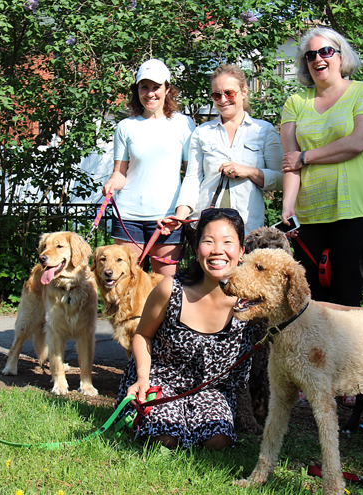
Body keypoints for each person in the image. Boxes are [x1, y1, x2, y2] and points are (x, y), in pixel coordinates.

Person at [116, 208, 263, 450]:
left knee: (218, 442)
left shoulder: (252, 301)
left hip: (212, 391)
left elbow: (300, 306)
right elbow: (143, 334)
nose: (217, 250)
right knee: (165, 439)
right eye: (208, 241)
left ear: (241, 251)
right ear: (196, 251)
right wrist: (143, 378)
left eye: (228, 242)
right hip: (159, 381)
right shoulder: (170, 289)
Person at [280, 27, 363, 306]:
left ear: (341, 56)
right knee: (310, 298)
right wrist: (287, 208)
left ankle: (348, 353)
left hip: (358, 212)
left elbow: (358, 142)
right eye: (310, 55)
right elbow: (290, 162)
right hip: (310, 216)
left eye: (326, 51)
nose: (318, 59)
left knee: (347, 294)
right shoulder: (295, 103)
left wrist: (307, 157)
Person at [159, 64, 283, 237]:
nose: (223, 99)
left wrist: (248, 171)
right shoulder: (202, 132)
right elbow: (193, 179)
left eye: (229, 93)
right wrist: (180, 217)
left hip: (248, 228)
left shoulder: (263, 130)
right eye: (217, 95)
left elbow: (282, 180)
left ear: (244, 92)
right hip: (206, 228)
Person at [102, 59, 196, 276]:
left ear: (167, 89)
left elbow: (191, 174)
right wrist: (111, 183)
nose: (150, 93)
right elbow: (120, 173)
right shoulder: (126, 127)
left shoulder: (183, 124)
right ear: (137, 90)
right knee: (125, 287)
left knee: (163, 288)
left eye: (156, 87)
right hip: (128, 218)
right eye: (145, 87)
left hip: (167, 219)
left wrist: (182, 213)